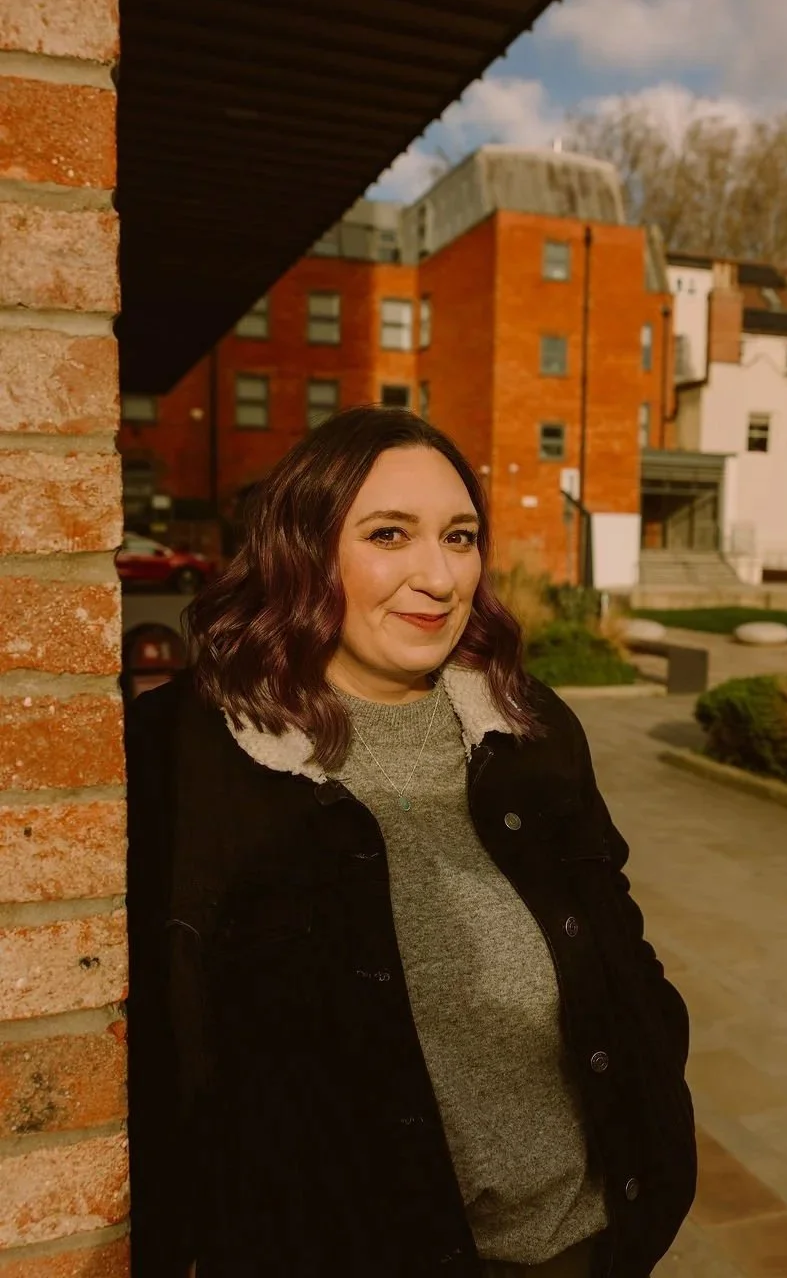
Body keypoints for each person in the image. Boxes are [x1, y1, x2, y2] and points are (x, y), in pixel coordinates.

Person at [125, 406, 697, 1278]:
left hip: (581, 1247)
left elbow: (621, 945)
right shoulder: (188, 753)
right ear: (303, 549)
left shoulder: (530, 727)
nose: (438, 576)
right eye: (389, 534)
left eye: (460, 537)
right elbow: (166, 1059)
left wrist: (654, 1102)